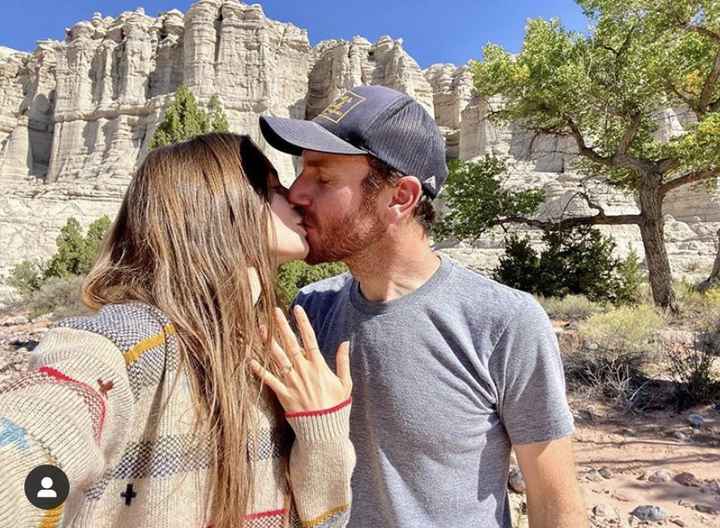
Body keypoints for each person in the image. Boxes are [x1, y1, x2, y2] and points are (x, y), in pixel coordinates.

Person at [260, 85, 589, 527]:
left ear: (400, 197)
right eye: (301, 172)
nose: (296, 192)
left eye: (322, 178)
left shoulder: (504, 321)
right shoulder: (309, 311)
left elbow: (555, 505)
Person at [0, 133, 355, 528]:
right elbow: (36, 432)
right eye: (272, 188)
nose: (295, 198)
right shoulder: (135, 339)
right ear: (220, 207)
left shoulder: (269, 354)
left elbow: (324, 522)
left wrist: (322, 430)